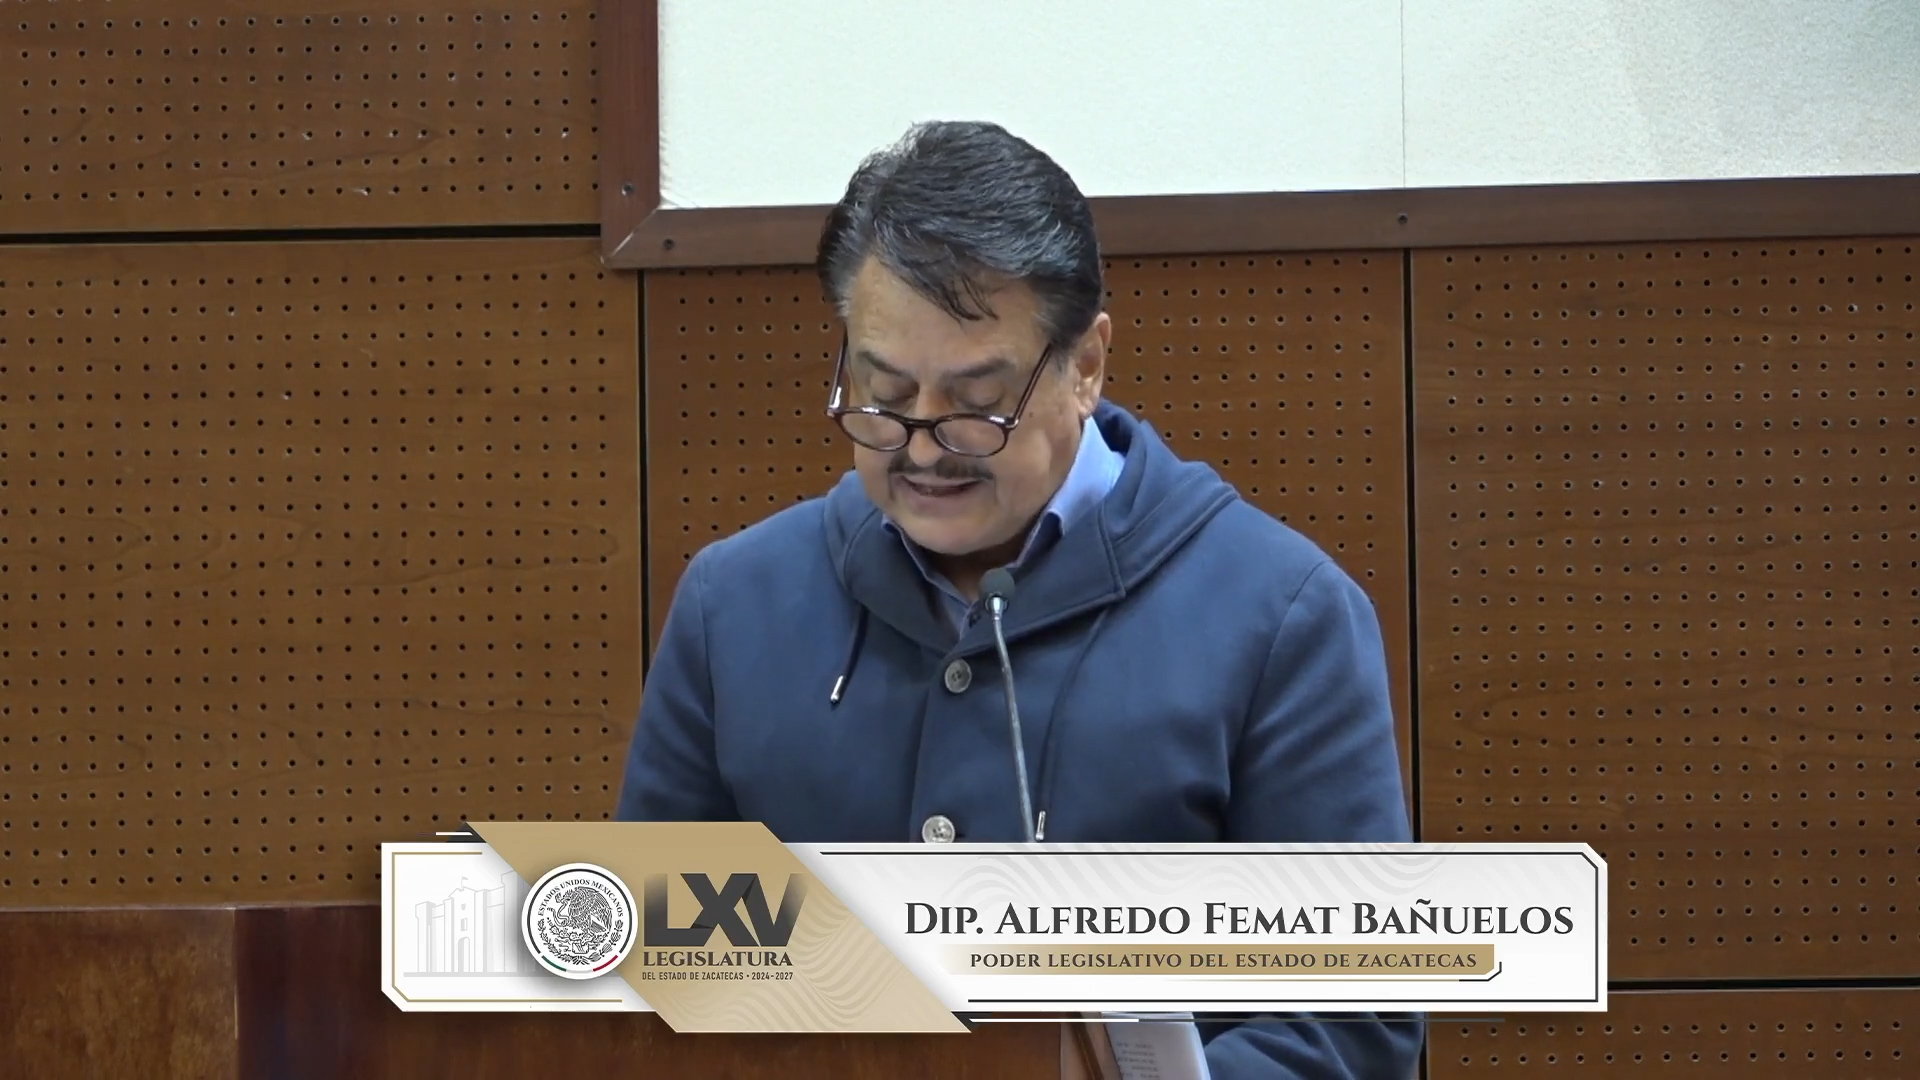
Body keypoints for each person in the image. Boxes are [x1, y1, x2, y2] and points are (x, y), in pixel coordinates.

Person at [616, 120, 1424, 1078]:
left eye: (975, 403)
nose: (923, 447)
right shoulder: (734, 603)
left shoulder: (1283, 616)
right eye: (884, 394)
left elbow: (1349, 1024)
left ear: (1086, 366)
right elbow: (652, 967)